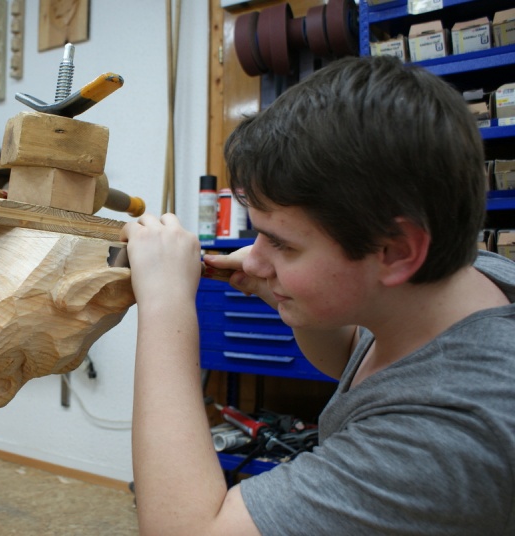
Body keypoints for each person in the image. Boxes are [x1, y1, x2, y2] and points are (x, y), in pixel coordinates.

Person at [120, 55, 515, 535]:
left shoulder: (449, 431)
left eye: (283, 243)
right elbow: (353, 355)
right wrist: (280, 290)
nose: (254, 260)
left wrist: (166, 304)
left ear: (396, 251)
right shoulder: (472, 280)